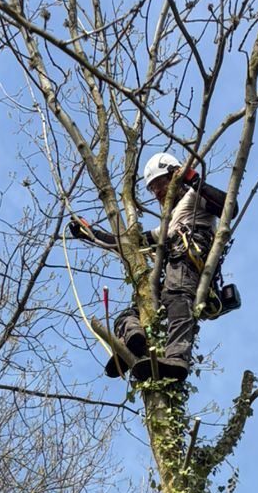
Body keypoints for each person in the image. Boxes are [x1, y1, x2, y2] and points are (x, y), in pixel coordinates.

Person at [69, 151, 230, 381]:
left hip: (188, 260)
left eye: (159, 184)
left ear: (175, 176)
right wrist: (90, 233)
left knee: (177, 297)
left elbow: (228, 208)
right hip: (172, 269)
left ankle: (177, 359)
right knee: (128, 315)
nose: (157, 192)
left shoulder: (194, 198)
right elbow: (129, 244)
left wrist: (193, 178)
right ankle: (134, 342)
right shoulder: (169, 223)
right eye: (152, 188)